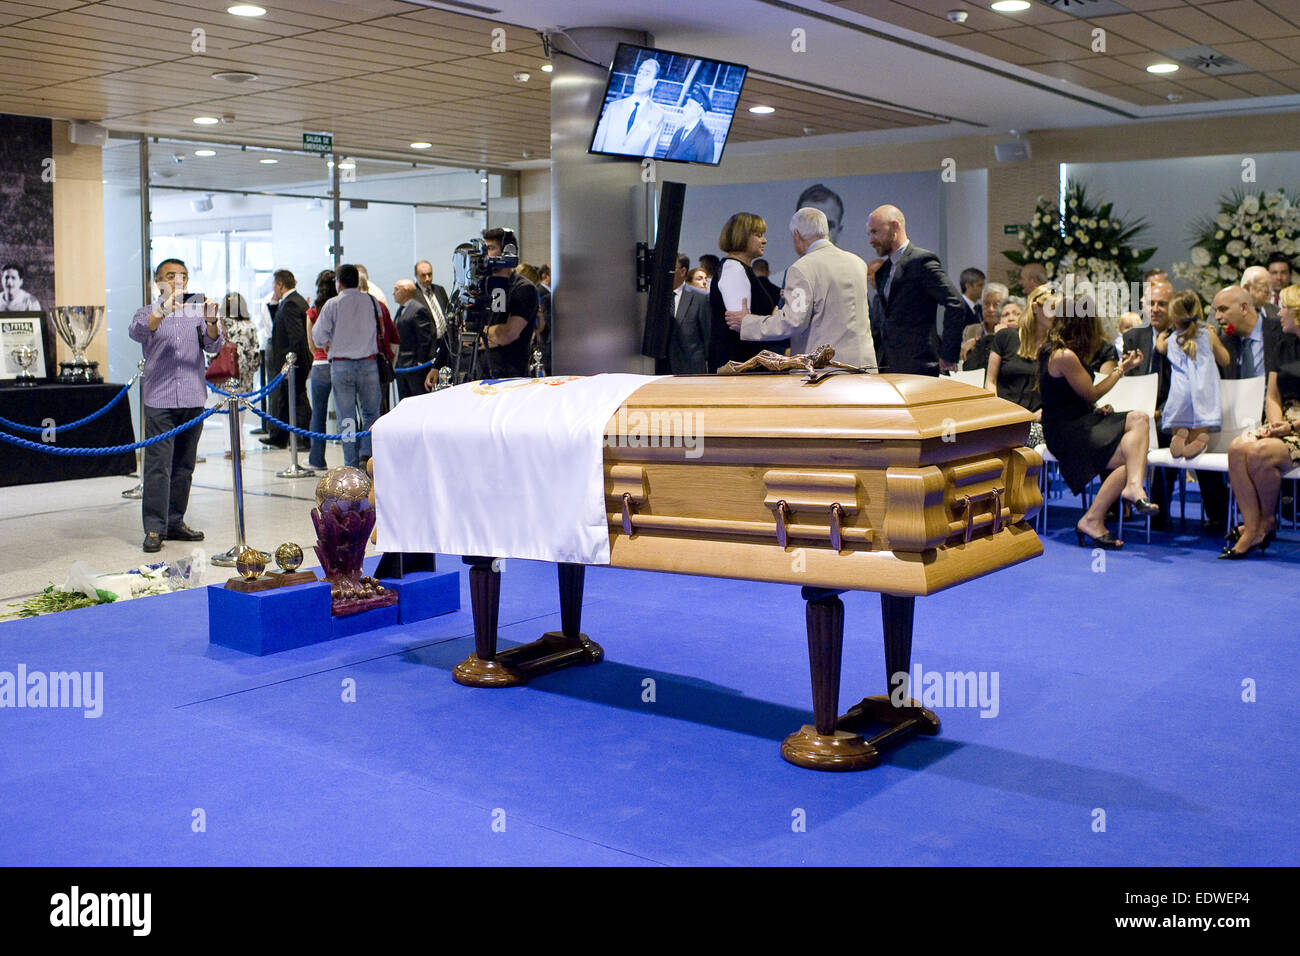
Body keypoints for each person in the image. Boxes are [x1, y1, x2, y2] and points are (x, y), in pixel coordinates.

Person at [1039, 301, 1154, 550]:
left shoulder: (1062, 351)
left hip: (1081, 420)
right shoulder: (1063, 355)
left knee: (1137, 428)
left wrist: (1095, 408)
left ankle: (1104, 510)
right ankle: (1109, 507)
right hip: (1065, 431)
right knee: (1135, 442)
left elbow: (1071, 397)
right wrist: (1119, 371)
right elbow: (1090, 394)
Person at [129, 258, 224, 553]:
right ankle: (155, 529)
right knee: (159, 467)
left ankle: (174, 522)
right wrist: (165, 308)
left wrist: (210, 320)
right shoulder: (147, 311)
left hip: (193, 398)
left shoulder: (197, 311)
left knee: (184, 466)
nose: (178, 281)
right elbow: (139, 331)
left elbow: (213, 345)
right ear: (158, 281)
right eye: (171, 276)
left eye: (183, 276)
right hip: (160, 400)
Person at [724, 207, 876, 369]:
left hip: (825, 370)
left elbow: (792, 322)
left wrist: (747, 323)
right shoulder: (857, 262)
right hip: (864, 365)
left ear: (796, 234)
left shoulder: (802, 268)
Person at [1221, 283, 1300, 558]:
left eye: (1284, 308)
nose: (1279, 314)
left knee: (1258, 452)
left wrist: (1289, 427)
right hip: (1285, 422)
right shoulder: (1282, 343)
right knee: (1237, 448)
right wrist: (1274, 425)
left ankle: (1265, 523)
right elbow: (1273, 395)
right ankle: (1254, 526)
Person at [866, 204, 965, 375]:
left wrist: (948, 355)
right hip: (888, 366)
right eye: (869, 234)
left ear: (895, 226)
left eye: (875, 232)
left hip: (920, 365)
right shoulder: (883, 270)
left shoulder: (921, 261)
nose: (871, 240)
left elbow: (955, 304)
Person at [311, 264, 382, 468]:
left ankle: (350, 462)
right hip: (369, 363)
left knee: (347, 416)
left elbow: (318, 336)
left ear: (339, 282)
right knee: (371, 413)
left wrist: (329, 341)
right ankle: (367, 455)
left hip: (342, 366)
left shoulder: (333, 304)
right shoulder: (371, 301)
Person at [1157, 291, 1228, 459]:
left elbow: (1160, 348)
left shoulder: (1172, 340)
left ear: (1173, 315)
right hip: (1203, 393)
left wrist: (1160, 337)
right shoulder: (1208, 334)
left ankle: (1179, 437)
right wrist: (1216, 339)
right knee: (1200, 426)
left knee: (1180, 423)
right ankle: (1198, 442)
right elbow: (1225, 360)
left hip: (1179, 395)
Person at [987, 284, 1056, 448]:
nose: (1056, 314)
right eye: (1051, 308)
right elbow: (990, 381)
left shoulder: (1056, 347)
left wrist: (1042, 413)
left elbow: (1058, 392)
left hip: (1037, 419)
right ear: (1035, 308)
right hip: (1002, 415)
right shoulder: (1005, 337)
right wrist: (997, 410)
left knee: (1029, 436)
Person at [709, 212, 780, 370]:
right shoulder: (734, 269)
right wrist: (774, 317)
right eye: (758, 235)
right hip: (740, 365)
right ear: (741, 236)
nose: (764, 240)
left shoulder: (739, 269)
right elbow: (740, 324)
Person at [262, 269, 312, 449]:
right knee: (285, 398)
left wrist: (290, 361)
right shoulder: (291, 301)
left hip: (294, 360)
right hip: (291, 359)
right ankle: (280, 437)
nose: (273, 289)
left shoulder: (291, 304)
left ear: (280, 285)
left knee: (298, 399)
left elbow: (296, 335)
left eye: (274, 285)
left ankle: (303, 439)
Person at [591, 56, 668, 156]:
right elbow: (597, 144)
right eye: (639, 72)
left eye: (646, 74)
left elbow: (650, 153)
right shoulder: (613, 108)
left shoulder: (658, 115)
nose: (640, 77)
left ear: (654, 83)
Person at [219, 292, 259, 461]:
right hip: (245, 375)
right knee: (240, 413)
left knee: (226, 412)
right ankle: (240, 446)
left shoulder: (222, 325)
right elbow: (256, 351)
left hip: (225, 373)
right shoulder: (249, 325)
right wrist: (250, 369)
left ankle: (231, 447)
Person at [304, 269, 336, 470]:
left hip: (320, 365)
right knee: (346, 413)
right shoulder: (340, 307)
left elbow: (312, 344)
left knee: (318, 414)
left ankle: (317, 459)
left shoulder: (313, 311)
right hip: (340, 363)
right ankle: (353, 456)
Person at [667, 254, 710, 374]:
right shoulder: (656, 297)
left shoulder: (700, 298)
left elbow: (707, 334)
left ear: (683, 271)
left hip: (691, 366)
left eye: (670, 269)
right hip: (661, 367)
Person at [392, 279, 434, 400]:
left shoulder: (418, 309)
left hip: (414, 368)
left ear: (405, 291)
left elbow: (424, 339)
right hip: (402, 366)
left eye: (396, 289)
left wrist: (420, 362)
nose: (393, 293)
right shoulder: (402, 309)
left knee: (417, 401)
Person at [664, 83, 716, 163]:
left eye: (689, 105)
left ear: (699, 111)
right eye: (685, 104)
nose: (684, 108)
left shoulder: (706, 138)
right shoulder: (679, 132)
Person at [414, 259, 450, 364]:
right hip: (427, 349)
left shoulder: (439, 290)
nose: (427, 278)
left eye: (430, 274)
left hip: (445, 344)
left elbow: (447, 312)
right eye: (423, 275)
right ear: (416, 276)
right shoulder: (413, 295)